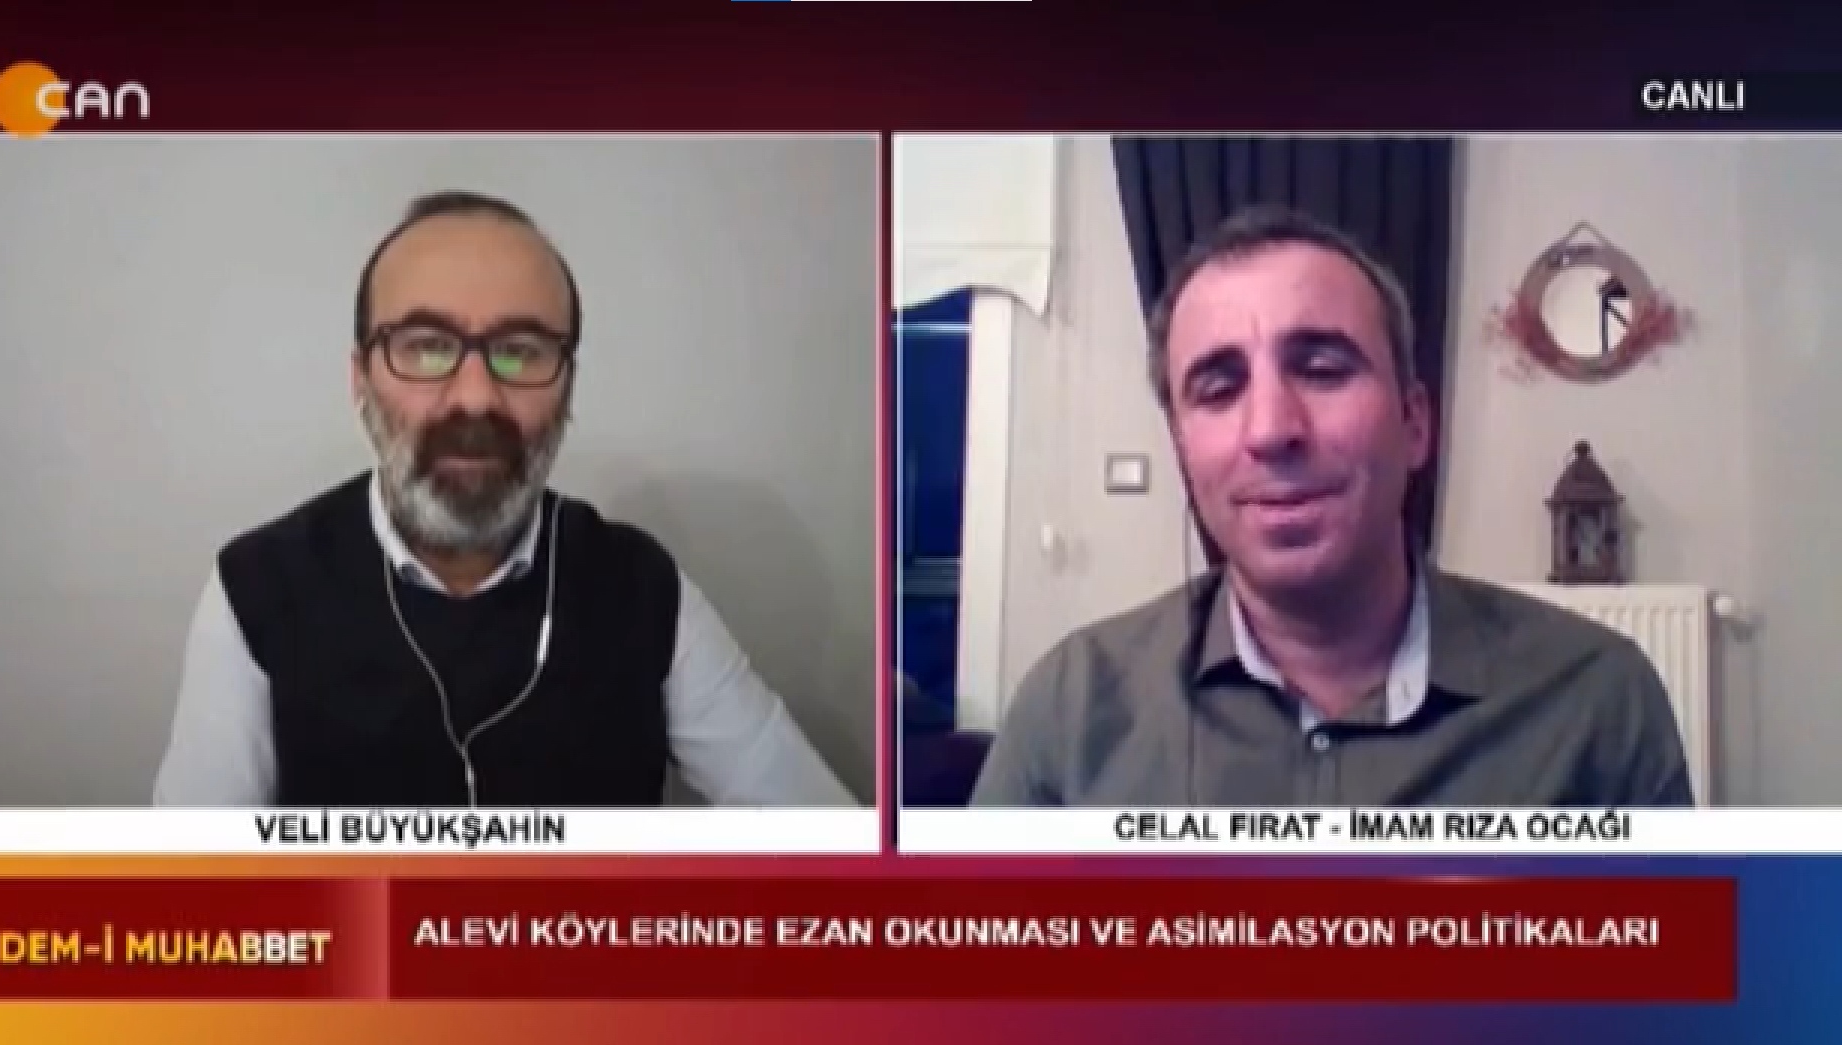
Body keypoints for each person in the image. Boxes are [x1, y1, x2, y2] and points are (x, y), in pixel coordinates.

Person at [972, 206, 1693, 807]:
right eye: (1219, 389)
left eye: (1321, 370)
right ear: (1181, 449)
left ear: (1415, 425)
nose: (1270, 430)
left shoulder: (1597, 702)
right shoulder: (1070, 715)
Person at [155, 190, 852, 808]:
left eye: (521, 350)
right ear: (359, 379)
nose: (476, 397)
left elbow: (824, 841)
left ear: (568, 385)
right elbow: (185, 889)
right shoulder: (256, 589)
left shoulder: (643, 589)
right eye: (426, 346)